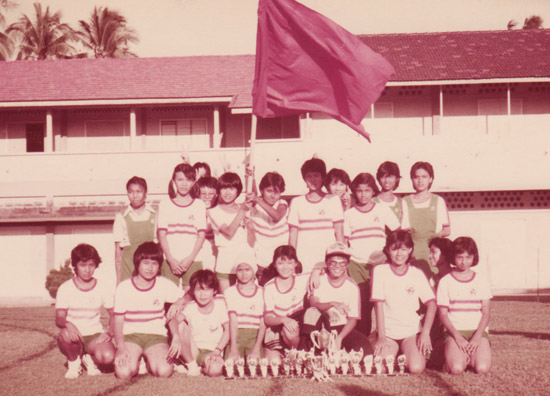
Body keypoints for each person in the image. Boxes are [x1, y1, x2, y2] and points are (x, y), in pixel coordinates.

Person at [370, 230, 436, 374]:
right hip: (388, 334)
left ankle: (406, 353)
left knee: (416, 368)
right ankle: (390, 350)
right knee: (380, 368)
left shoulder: (416, 273)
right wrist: (381, 338)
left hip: (411, 332)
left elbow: (431, 303)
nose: (399, 254)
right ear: (388, 250)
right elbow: (378, 306)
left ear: (410, 250)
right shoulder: (380, 271)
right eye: (394, 249)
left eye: (404, 249)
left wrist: (425, 333)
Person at [113, 242, 181, 379]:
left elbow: (179, 304)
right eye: (145, 263)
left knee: (164, 371)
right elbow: (118, 321)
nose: (150, 268)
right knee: (124, 373)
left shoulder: (164, 284)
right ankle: (137, 360)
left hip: (156, 336)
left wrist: (176, 336)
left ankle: (149, 361)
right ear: (137, 263)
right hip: (130, 336)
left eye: (154, 264)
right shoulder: (124, 287)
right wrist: (120, 347)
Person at [344, 172, 400, 336]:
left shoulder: (382, 210)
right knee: (362, 305)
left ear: (373, 191)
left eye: (367, 190)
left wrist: (388, 255)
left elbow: (397, 233)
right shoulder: (349, 214)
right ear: (355, 191)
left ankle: (384, 338)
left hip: (379, 264)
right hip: (356, 265)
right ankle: (363, 341)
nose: (363, 194)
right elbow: (345, 241)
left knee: (382, 303)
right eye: (360, 191)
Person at [55, 243, 115, 378]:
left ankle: (89, 359)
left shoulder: (102, 286)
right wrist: (68, 324)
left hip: (94, 335)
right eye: (83, 265)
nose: (87, 270)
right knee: (64, 335)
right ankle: (74, 362)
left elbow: (114, 314)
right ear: (75, 265)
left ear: (96, 266)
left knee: (108, 357)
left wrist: (109, 333)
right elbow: (59, 318)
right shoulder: (65, 288)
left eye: (91, 265)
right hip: (74, 335)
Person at [302, 242, 374, 354]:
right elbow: (313, 304)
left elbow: (352, 319)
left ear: (347, 265)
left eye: (342, 263)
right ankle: (310, 352)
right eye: (333, 263)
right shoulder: (318, 278)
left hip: (341, 328)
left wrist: (339, 338)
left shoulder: (352, 286)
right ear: (326, 263)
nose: (337, 267)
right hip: (319, 327)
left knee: (365, 349)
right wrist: (332, 303)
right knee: (311, 314)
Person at [437, 237, 492, 374]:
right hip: (454, 332)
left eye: (468, 257)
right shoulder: (445, 281)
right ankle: (454, 355)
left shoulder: (481, 280)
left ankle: (472, 355)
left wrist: (477, 336)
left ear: (474, 257)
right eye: (460, 257)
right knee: (456, 369)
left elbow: (486, 313)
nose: (464, 262)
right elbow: (443, 315)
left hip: (476, 332)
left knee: (482, 368)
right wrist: (457, 337)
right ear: (453, 257)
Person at [288, 157, 344, 273]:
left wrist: (340, 260)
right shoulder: (297, 202)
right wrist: (293, 262)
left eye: (316, 175)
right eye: (309, 176)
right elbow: (293, 237)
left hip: (328, 262)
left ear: (323, 177)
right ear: (304, 179)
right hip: (304, 262)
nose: (313, 180)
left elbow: (339, 234)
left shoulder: (334, 200)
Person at [170, 269, 229, 376]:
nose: (202, 295)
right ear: (193, 292)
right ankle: (191, 364)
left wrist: (217, 351)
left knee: (214, 371)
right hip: (194, 351)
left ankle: (188, 364)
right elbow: (172, 319)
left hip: (215, 350)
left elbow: (228, 330)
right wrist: (175, 336)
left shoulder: (220, 304)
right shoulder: (190, 307)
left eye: (207, 290)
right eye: (198, 290)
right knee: (181, 324)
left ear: (214, 291)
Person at [157, 163, 207, 289]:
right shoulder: (165, 204)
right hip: (169, 260)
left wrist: (190, 259)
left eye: (188, 180)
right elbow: (162, 235)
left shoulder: (199, 205)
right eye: (180, 180)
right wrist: (170, 259)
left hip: (193, 259)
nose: (184, 184)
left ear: (194, 182)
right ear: (173, 181)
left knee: (191, 298)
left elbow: (201, 236)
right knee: (168, 298)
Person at [207, 172, 254, 291]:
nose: (227, 192)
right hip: (225, 266)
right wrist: (242, 211)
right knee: (227, 302)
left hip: (245, 265)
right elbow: (229, 233)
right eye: (224, 188)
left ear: (238, 191)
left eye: (232, 188)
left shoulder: (244, 208)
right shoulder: (214, 212)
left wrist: (250, 227)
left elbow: (251, 242)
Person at [403, 161, 450, 278]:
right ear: (412, 180)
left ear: (430, 179)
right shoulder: (405, 201)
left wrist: (434, 237)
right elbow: (404, 232)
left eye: (424, 177)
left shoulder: (438, 201)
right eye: (416, 177)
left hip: (433, 252)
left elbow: (447, 230)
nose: (420, 181)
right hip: (412, 252)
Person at [262, 245, 308, 362]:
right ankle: (284, 354)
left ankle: (295, 355)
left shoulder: (301, 280)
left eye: (290, 262)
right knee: (274, 363)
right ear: (274, 265)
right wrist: (283, 319)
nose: (285, 267)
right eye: (281, 263)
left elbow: (325, 270)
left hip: (295, 327)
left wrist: (318, 271)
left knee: (290, 330)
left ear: (296, 264)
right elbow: (268, 318)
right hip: (277, 327)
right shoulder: (269, 287)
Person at [247, 171, 289, 285]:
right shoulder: (256, 206)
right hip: (262, 265)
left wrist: (257, 199)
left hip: (281, 265)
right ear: (262, 191)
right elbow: (253, 193)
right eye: (269, 191)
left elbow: (277, 216)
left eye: (276, 192)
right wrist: (252, 176)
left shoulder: (282, 204)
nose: (272, 195)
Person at [113, 176, 157, 284]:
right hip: (129, 267)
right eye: (131, 192)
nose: (135, 195)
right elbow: (118, 253)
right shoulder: (121, 217)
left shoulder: (155, 215)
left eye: (139, 191)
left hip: (151, 266)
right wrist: (119, 279)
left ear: (145, 193)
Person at [224, 253, 266, 361]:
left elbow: (263, 323)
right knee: (231, 366)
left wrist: (257, 348)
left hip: (254, 337)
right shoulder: (230, 292)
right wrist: (233, 348)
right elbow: (233, 321)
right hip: (235, 336)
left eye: (247, 269)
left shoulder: (262, 292)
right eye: (240, 270)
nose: (244, 274)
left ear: (254, 271)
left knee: (255, 367)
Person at [373, 161, 409, 229]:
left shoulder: (402, 203)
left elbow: (405, 228)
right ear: (378, 179)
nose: (386, 180)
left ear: (397, 179)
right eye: (383, 177)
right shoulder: (372, 202)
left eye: (390, 177)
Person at [194, 176, 219, 271]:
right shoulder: (194, 211)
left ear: (217, 194)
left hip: (215, 254)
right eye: (203, 193)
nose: (207, 197)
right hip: (198, 254)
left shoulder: (219, 211)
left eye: (211, 193)